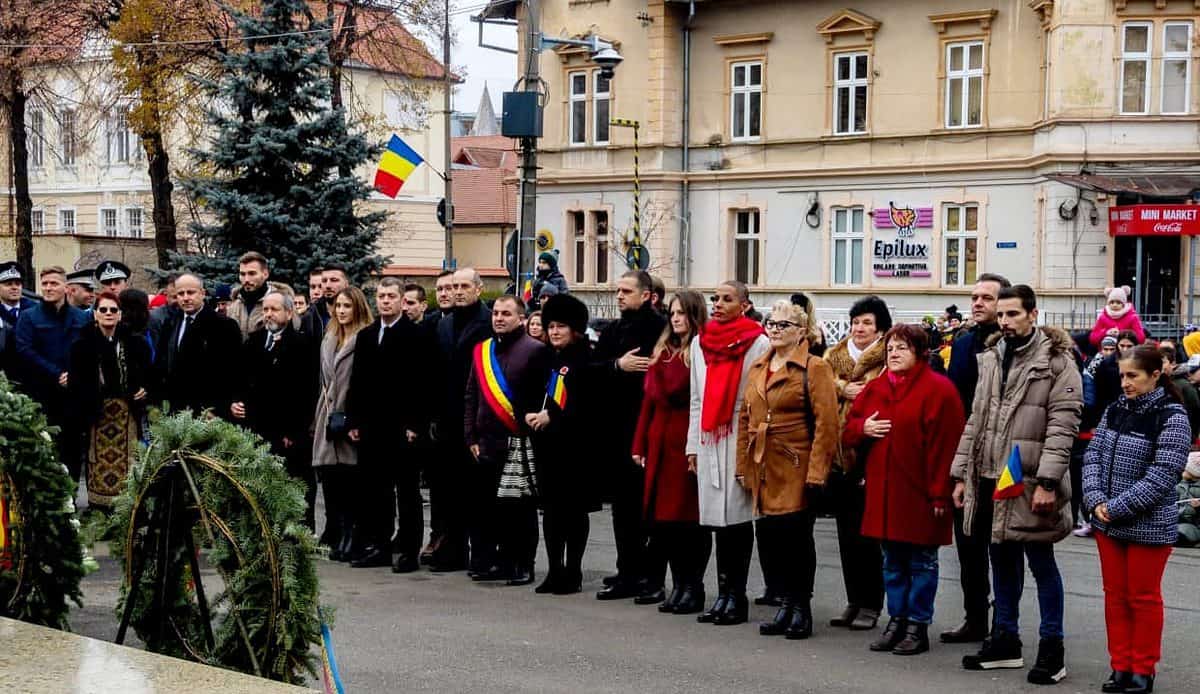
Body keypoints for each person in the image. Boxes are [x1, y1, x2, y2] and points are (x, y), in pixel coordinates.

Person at [951, 284, 1081, 685]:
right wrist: (961, 474)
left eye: (1013, 314)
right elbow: (976, 419)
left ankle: (1052, 649)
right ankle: (1005, 639)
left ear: (1033, 314)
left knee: (1042, 566)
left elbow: (1063, 426)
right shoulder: (991, 357)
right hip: (992, 479)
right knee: (1001, 562)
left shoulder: (1058, 363)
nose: (1005, 322)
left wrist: (1047, 481)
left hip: (1032, 482)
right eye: (1002, 315)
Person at [844, 324, 965, 656]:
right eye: (890, 348)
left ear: (920, 353)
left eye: (902, 348)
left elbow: (947, 447)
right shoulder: (877, 388)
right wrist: (862, 427)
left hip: (922, 493)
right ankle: (896, 620)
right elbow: (849, 429)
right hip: (884, 492)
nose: (893, 353)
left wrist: (941, 493)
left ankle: (917, 625)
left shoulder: (939, 391)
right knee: (892, 561)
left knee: (922, 562)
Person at [1082, 344, 1190, 694]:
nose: (1125, 383)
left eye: (1133, 376)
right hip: (1107, 522)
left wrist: (1116, 507)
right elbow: (1093, 456)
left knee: (1142, 598)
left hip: (1148, 524)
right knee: (1115, 597)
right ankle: (1120, 666)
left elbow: (1164, 473)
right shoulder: (1114, 409)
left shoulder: (1172, 415)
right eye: (1122, 376)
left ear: (1155, 375)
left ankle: (1143, 669)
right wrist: (1096, 499)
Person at [738, 299, 837, 640]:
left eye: (784, 325)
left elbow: (827, 424)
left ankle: (801, 608)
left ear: (801, 332)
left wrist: (816, 472)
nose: (775, 329)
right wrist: (743, 466)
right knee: (773, 539)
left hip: (797, 463)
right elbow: (744, 419)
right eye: (772, 323)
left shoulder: (814, 367)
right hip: (763, 464)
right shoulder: (758, 367)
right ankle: (784, 604)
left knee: (797, 539)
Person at [687, 280, 769, 625]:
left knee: (736, 519)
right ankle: (722, 593)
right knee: (716, 522)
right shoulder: (699, 341)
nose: (718, 304)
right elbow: (696, 397)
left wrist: (752, 447)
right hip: (709, 433)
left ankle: (737, 595)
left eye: (727, 299)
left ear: (744, 305)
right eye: (715, 299)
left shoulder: (758, 341)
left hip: (739, 430)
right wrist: (692, 444)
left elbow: (759, 397)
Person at [345, 278, 437, 571]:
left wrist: (416, 424)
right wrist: (354, 420)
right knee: (377, 490)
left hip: (403, 427)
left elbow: (423, 384)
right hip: (372, 426)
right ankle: (379, 545)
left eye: (391, 296)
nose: (385, 301)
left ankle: (409, 550)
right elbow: (357, 381)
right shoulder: (368, 335)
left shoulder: (417, 335)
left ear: (401, 301)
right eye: (381, 296)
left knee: (407, 491)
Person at [941, 272, 1011, 644]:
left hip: (1003, 459)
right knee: (969, 544)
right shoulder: (964, 343)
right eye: (974, 297)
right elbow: (957, 404)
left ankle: (1005, 622)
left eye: (987, 297)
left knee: (1001, 548)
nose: (978, 302)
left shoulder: (1011, 345)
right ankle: (974, 617)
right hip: (967, 457)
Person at [632, 291, 710, 615]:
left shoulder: (701, 350)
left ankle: (694, 586)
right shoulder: (663, 351)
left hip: (685, 439)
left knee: (688, 520)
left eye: (682, 313)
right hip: (660, 439)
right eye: (672, 313)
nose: (675, 318)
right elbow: (648, 402)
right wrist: (639, 443)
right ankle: (678, 584)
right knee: (664, 521)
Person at [464, 295, 550, 585]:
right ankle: (494, 561)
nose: (499, 318)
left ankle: (523, 563)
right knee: (486, 509)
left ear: (521, 318)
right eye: (496, 313)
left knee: (520, 509)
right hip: (485, 442)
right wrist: (470, 434)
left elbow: (543, 397)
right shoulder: (482, 351)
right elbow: (471, 395)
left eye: (506, 314)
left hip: (518, 441)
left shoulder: (535, 350)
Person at [592, 271, 668, 600]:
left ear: (647, 295)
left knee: (648, 509)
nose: (619, 296)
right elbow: (590, 371)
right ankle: (627, 570)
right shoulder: (613, 330)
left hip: (649, 428)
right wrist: (616, 366)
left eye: (626, 291)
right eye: (617, 290)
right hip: (616, 429)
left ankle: (650, 576)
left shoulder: (660, 329)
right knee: (622, 508)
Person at [822, 295, 890, 631]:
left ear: (880, 329)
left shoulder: (888, 358)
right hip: (837, 455)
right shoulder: (833, 358)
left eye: (867, 323)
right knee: (846, 535)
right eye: (856, 322)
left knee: (868, 537)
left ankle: (872, 604)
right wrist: (841, 388)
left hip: (869, 455)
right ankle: (853, 599)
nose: (859, 328)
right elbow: (817, 386)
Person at [528, 293, 598, 595]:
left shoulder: (585, 357)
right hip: (548, 447)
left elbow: (584, 403)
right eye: (551, 325)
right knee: (552, 511)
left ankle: (574, 570)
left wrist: (552, 416)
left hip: (576, 447)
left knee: (574, 511)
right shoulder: (545, 357)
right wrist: (531, 414)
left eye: (562, 326)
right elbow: (532, 391)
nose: (555, 331)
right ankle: (555, 568)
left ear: (575, 329)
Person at [231, 291, 319, 529]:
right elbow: (239, 379)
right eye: (266, 309)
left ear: (289, 313)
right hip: (257, 427)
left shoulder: (303, 344)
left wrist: (295, 430)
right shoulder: (255, 341)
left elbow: (307, 392)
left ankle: (300, 530)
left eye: (274, 309)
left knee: (295, 482)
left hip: (288, 431)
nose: (268, 314)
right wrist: (235, 402)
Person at [430, 267, 493, 572]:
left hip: (477, 418)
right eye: (454, 286)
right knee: (447, 489)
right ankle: (451, 549)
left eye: (464, 286)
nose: (457, 291)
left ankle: (481, 553)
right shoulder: (443, 324)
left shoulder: (487, 322)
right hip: (446, 418)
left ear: (479, 289)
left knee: (477, 492)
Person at [67, 291, 151, 509]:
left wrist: (145, 388)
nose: (108, 313)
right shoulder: (82, 345)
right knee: (98, 464)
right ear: (95, 314)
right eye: (103, 309)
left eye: (113, 310)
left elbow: (150, 373)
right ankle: (100, 512)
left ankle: (126, 513)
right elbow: (75, 384)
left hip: (127, 414)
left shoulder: (135, 343)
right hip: (97, 414)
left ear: (120, 314)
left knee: (129, 463)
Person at [15, 266, 91, 481]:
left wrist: (75, 375)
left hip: (73, 397)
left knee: (73, 452)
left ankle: (72, 503)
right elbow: (25, 350)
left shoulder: (81, 318)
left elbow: (89, 350)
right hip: (42, 395)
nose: (48, 288)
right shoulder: (29, 317)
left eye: (54, 283)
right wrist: (57, 373)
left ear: (66, 288)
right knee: (44, 451)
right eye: (45, 284)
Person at [313, 287, 372, 561]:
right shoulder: (329, 337)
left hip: (350, 414)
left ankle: (354, 535)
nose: (341, 311)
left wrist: (354, 417)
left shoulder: (365, 338)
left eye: (347, 306)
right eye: (338, 306)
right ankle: (338, 534)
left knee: (352, 482)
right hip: (328, 413)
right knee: (331, 481)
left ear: (357, 307)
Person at [153, 273, 241, 417]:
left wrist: (217, 408)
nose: (186, 298)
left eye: (191, 292)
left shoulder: (224, 325)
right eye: (180, 294)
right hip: (174, 412)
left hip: (207, 413)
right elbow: (161, 364)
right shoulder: (170, 323)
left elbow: (231, 371)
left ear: (202, 293)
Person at [225, 251, 275, 341]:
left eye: (252, 273)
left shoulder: (280, 305)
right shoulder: (233, 307)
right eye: (242, 274)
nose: (246, 279)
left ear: (265, 274)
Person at [0, 261, 37, 381]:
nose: (14, 287)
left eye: (18, 283)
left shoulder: (36, 310)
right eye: (8, 284)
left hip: (32, 375)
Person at [1089, 286, 1146, 350]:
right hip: (1107, 353)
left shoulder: (1133, 318)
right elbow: (1093, 339)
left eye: (1118, 302)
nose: (1114, 305)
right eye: (1112, 302)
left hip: (1126, 353)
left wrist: (1122, 334)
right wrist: (1106, 332)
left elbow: (1141, 338)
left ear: (1123, 304)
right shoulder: (1102, 317)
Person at [1162, 344, 1200, 438]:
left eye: (1163, 362)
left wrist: (1193, 436)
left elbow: (1195, 410)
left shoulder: (1184, 385)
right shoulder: (1152, 383)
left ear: (1173, 364)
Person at [147, 272, 180, 348]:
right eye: (174, 297)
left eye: (180, 296)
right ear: (166, 293)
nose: (178, 301)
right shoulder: (154, 317)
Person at [1176, 453, 1200, 547]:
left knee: (1179, 534)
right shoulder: (1179, 485)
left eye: (1185, 469)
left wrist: (1198, 508)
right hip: (1179, 520)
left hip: (1193, 525)